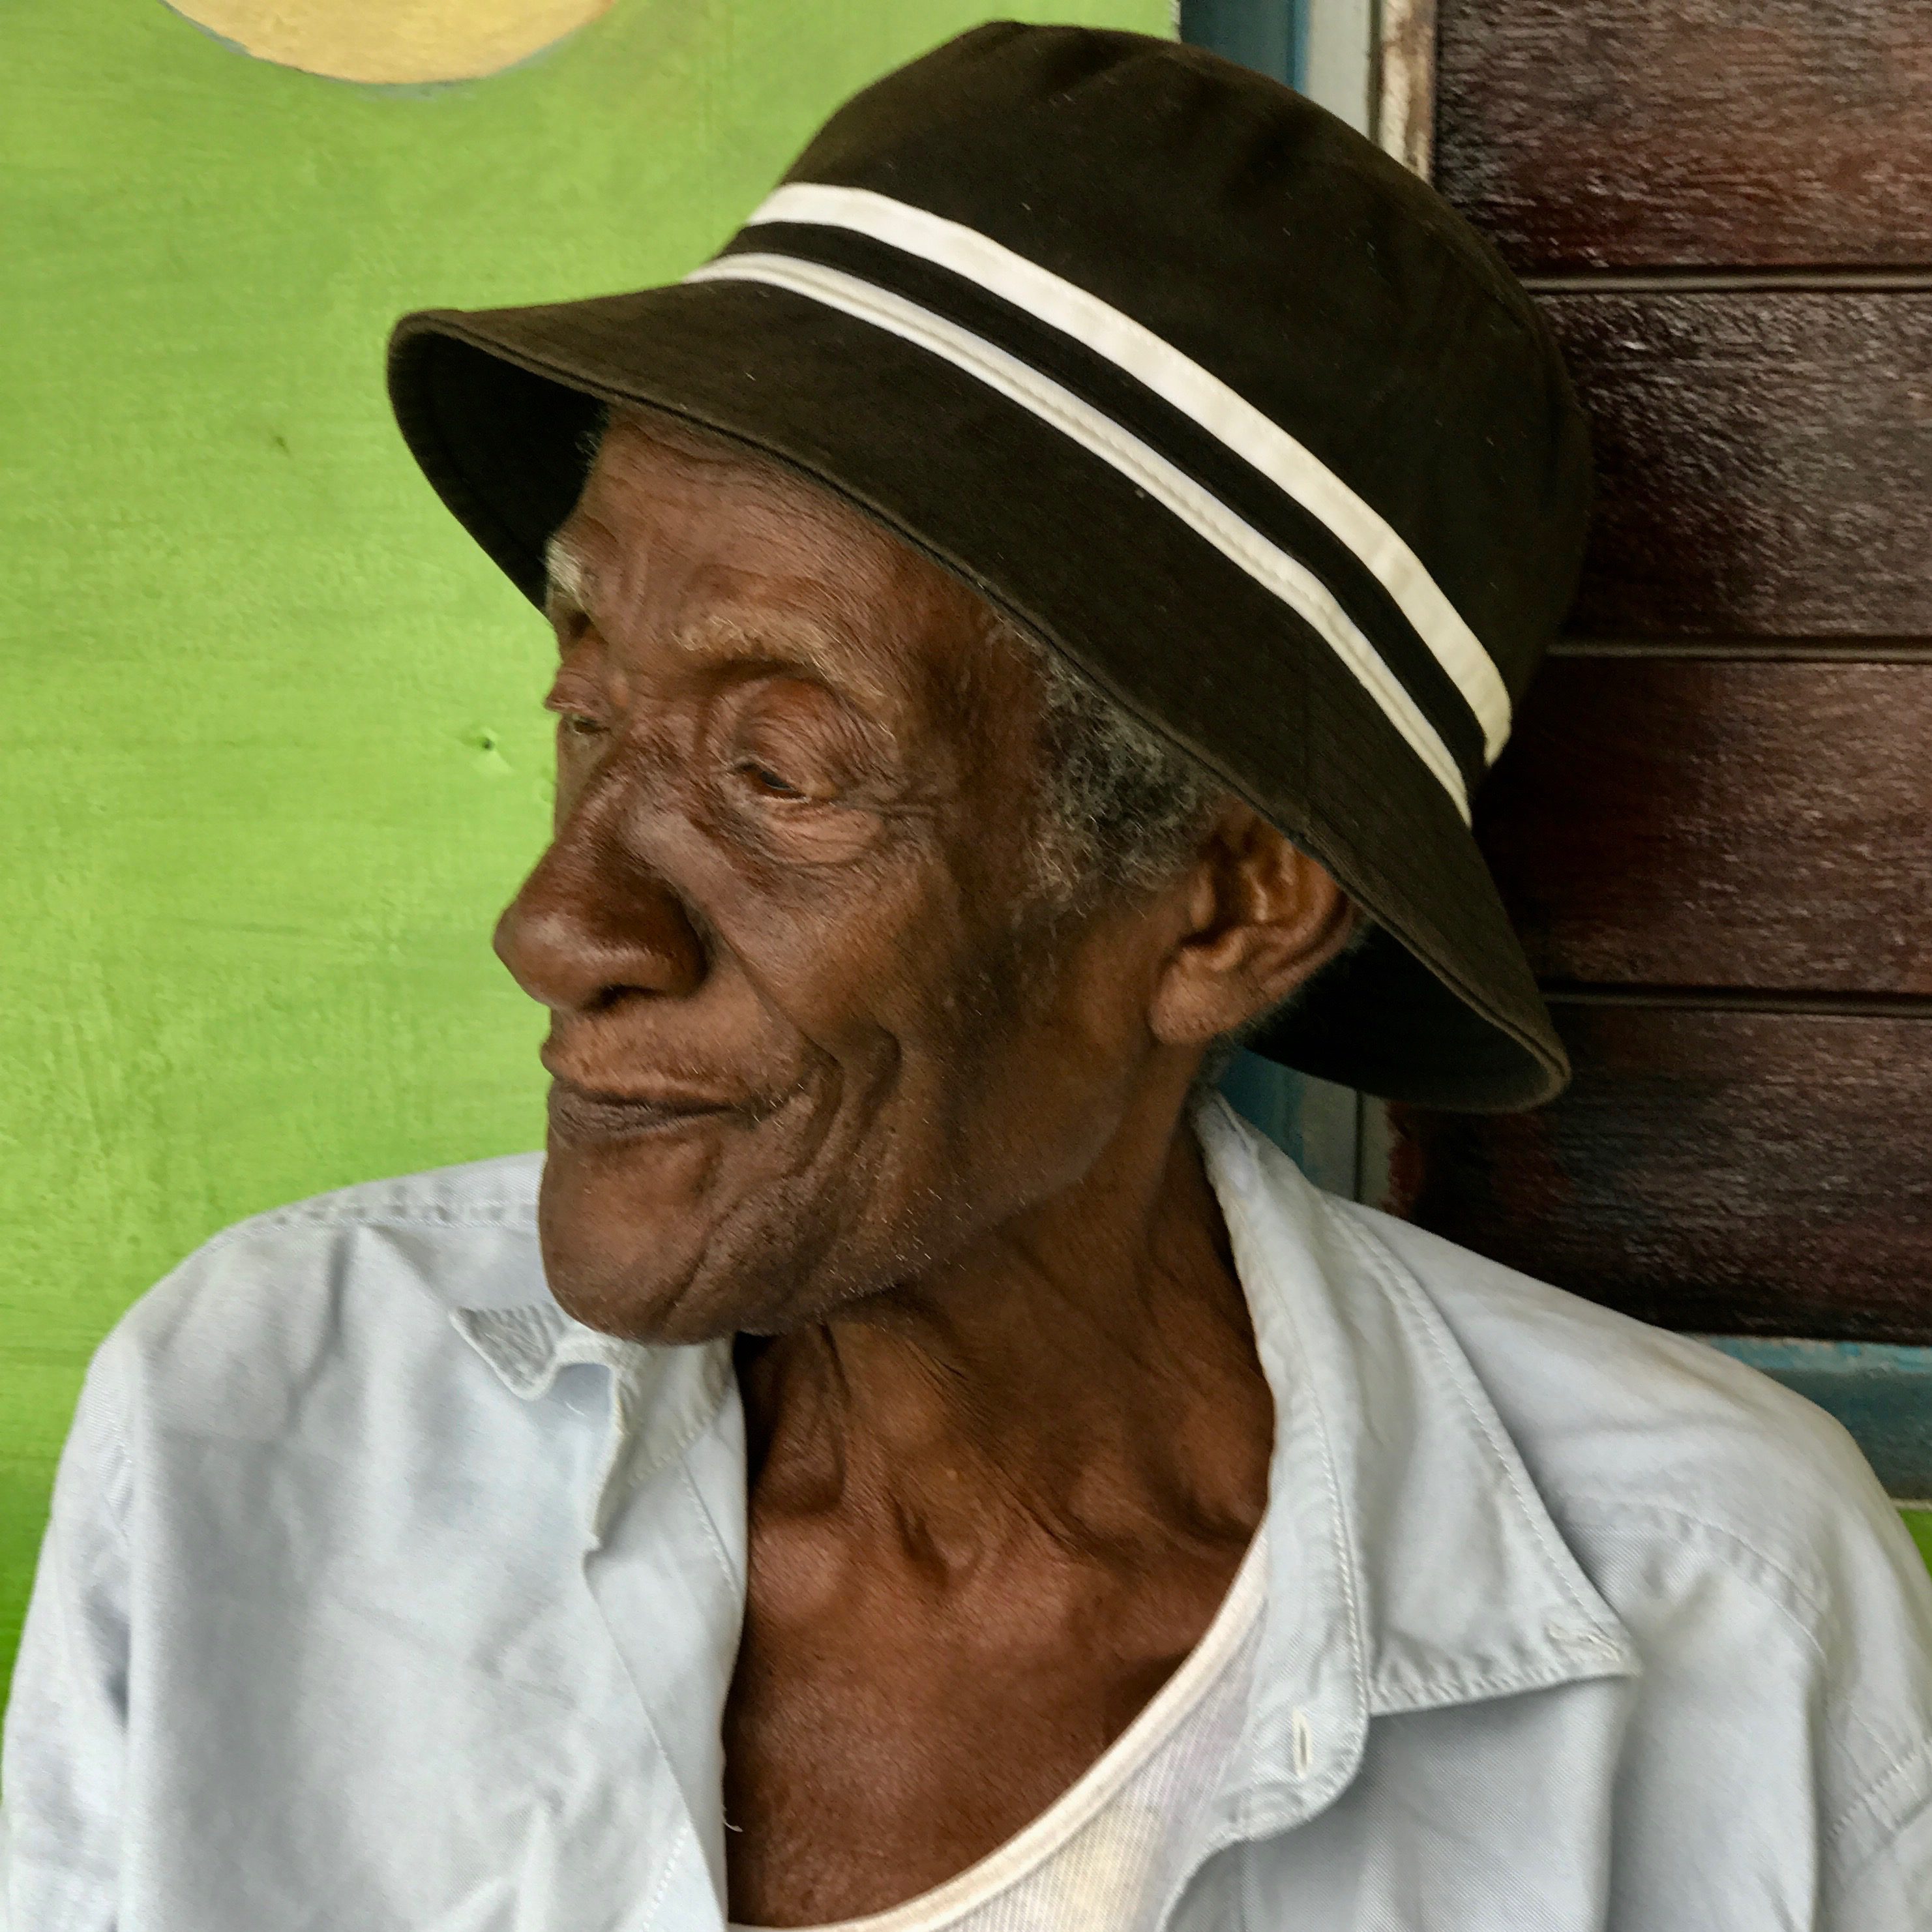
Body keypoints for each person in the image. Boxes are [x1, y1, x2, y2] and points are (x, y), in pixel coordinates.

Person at [5, 23, 1929, 1931]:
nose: (561, 921)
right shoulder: (258, 1423)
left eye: (778, 771)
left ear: (1228, 903)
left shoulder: (1712, 1623)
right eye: (589, 710)